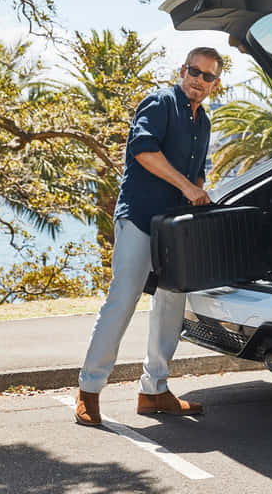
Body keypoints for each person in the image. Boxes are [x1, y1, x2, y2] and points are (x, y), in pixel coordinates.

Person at [74, 47, 223, 426]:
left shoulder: (202, 122)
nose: (199, 81)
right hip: (139, 219)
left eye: (208, 76)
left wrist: (199, 193)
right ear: (182, 69)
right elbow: (143, 152)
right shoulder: (159, 103)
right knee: (121, 301)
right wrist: (188, 188)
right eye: (194, 71)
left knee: (171, 306)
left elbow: (199, 171)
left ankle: (154, 390)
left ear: (215, 84)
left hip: (175, 229)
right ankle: (88, 391)